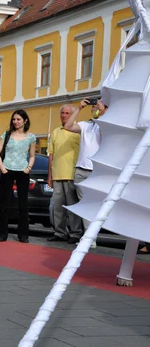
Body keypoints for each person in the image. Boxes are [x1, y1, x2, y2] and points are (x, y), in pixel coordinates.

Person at [64, 97, 107, 246]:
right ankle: (89, 238)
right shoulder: (86, 125)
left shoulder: (105, 126)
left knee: (94, 204)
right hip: (81, 170)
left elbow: (106, 134)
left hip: (96, 171)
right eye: (93, 107)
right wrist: (79, 109)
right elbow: (68, 126)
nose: (94, 108)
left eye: (97, 106)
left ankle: (90, 237)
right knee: (84, 204)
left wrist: (103, 113)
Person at [0, 109, 36, 243]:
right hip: (7, 170)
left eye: (18, 119)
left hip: (23, 172)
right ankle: (2, 234)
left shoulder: (31, 137)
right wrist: (3, 169)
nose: (16, 122)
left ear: (25, 120)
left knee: (23, 204)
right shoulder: (6, 135)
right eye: (14, 119)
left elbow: (32, 155)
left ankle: (23, 235)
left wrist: (28, 168)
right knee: (4, 204)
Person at [47, 105, 82, 244]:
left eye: (67, 113)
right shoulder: (56, 131)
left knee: (73, 206)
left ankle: (75, 233)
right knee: (58, 207)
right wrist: (50, 176)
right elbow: (51, 155)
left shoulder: (78, 130)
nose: (64, 115)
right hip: (57, 175)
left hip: (71, 173)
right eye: (62, 113)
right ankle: (60, 232)